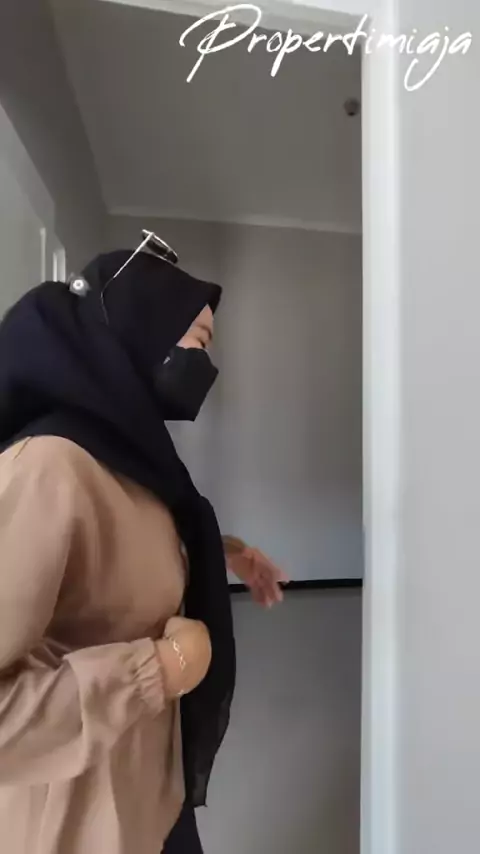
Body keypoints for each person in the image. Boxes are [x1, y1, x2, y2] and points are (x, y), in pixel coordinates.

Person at [0, 234, 285, 854]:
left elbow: (125, 546)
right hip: (75, 826)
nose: (202, 366)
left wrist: (226, 549)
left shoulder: (125, 461)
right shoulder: (49, 469)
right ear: (133, 332)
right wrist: (160, 670)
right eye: (197, 341)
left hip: (151, 799)